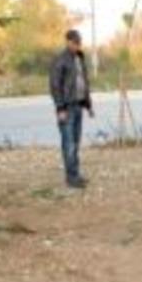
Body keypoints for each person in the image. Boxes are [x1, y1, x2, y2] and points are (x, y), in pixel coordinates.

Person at [49, 30, 94, 189]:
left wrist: (88, 105)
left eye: (79, 42)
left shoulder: (79, 58)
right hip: (66, 108)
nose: (77, 45)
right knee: (68, 144)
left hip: (78, 106)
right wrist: (60, 108)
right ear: (67, 41)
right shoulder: (60, 60)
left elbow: (83, 82)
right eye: (74, 42)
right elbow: (55, 86)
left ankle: (75, 174)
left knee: (75, 142)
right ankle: (71, 178)